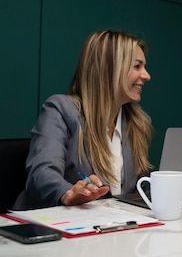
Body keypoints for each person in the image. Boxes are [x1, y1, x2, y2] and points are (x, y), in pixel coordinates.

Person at [14, 29, 154, 210]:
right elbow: (42, 173)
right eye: (137, 66)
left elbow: (135, 191)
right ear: (109, 68)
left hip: (112, 227)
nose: (146, 75)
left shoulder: (139, 123)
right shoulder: (61, 109)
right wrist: (68, 193)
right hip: (52, 228)